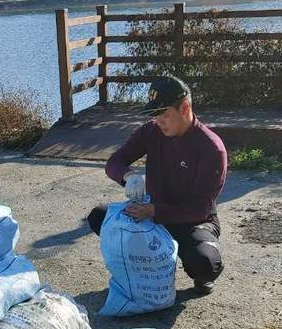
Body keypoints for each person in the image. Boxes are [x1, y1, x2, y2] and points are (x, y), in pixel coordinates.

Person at [86, 76, 227, 295]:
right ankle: (147, 264)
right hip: (151, 215)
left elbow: (200, 208)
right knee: (98, 216)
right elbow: (114, 162)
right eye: (154, 114)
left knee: (205, 265)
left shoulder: (211, 148)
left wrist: (155, 210)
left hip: (192, 220)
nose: (158, 121)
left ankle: (198, 272)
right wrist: (128, 176)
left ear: (185, 108)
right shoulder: (151, 131)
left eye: (164, 114)